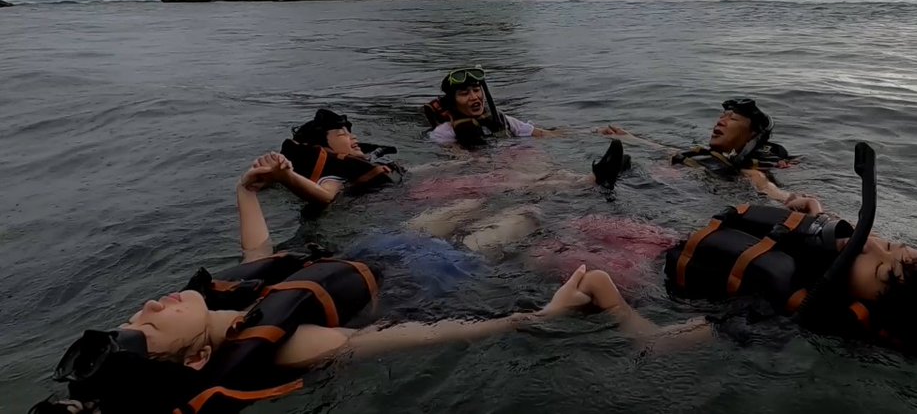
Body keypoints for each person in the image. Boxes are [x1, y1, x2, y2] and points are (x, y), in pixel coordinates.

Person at [32, 153, 599, 414]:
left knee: (473, 198)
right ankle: (585, 188)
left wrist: (248, 191)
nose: (149, 304)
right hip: (431, 272)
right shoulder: (282, 347)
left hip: (372, 250)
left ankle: (557, 176)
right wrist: (537, 316)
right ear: (198, 360)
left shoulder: (222, 300)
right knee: (520, 218)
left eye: (136, 313)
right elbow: (412, 338)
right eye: (148, 326)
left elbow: (260, 255)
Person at [573, 200, 917, 359]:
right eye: (893, 244)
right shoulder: (819, 269)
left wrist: (612, 302)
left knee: (534, 230)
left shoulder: (778, 315)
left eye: (882, 269)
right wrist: (812, 210)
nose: (872, 245)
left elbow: (653, 345)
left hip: (633, 275)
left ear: (867, 311)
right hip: (653, 242)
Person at [599, 98, 801, 205]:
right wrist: (629, 137)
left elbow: (774, 191)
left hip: (671, 193)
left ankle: (605, 181)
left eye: (733, 119)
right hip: (653, 186)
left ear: (751, 135)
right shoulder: (700, 154)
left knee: (605, 180)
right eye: (722, 116)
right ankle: (603, 180)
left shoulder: (749, 172)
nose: (721, 121)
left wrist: (798, 202)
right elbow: (665, 150)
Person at [277, 108, 405, 205]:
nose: (353, 137)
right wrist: (286, 176)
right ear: (323, 149)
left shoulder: (360, 164)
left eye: (350, 133)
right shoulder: (333, 174)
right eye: (342, 135)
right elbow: (326, 194)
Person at [424, 66, 558, 146]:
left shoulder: (501, 120)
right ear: (452, 102)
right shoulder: (444, 133)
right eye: (465, 93)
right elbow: (454, 157)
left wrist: (576, 136)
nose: (474, 97)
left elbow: (540, 133)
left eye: (477, 90)